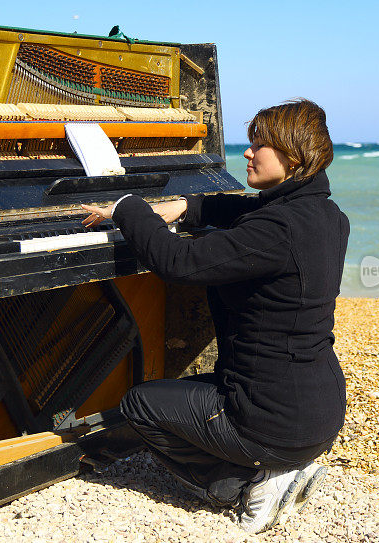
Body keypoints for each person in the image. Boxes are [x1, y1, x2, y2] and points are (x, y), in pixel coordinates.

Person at [81, 99, 349, 534]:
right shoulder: (328, 217)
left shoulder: (274, 231)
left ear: (293, 157)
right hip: (320, 411)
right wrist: (190, 205)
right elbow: (247, 210)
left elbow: (178, 262)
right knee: (186, 393)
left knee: (140, 404)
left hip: (271, 422)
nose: (247, 153)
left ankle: (246, 485)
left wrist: (129, 205)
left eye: (259, 145)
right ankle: (283, 466)